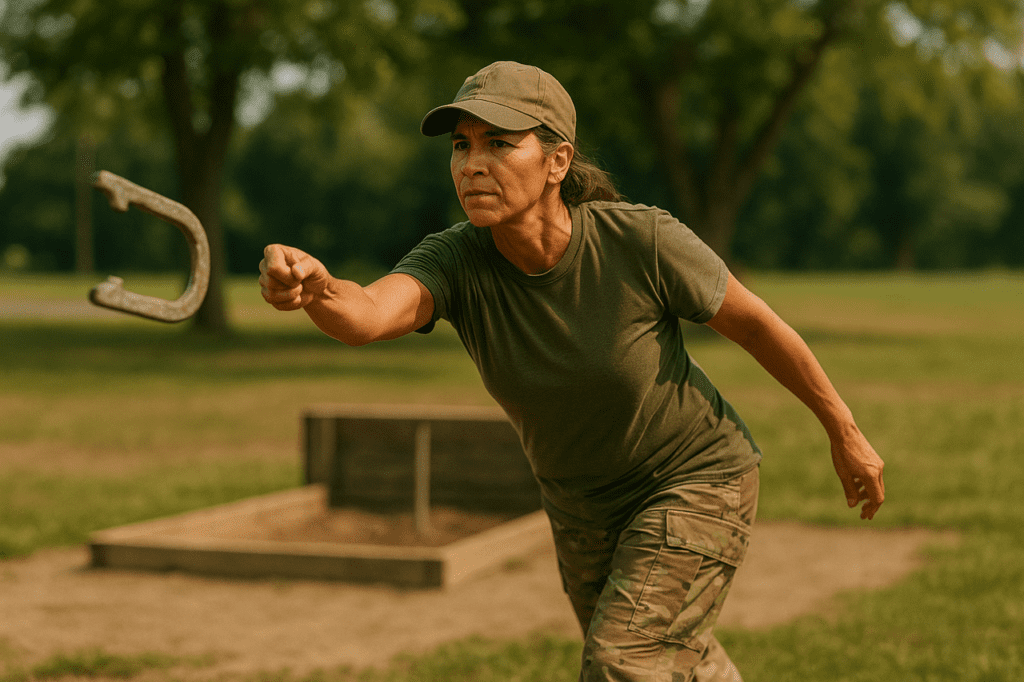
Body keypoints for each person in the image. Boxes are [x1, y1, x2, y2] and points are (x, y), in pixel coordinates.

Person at [259, 61, 885, 682]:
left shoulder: (640, 241)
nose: (471, 164)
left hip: (695, 479)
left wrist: (844, 429)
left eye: (499, 143)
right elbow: (367, 314)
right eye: (461, 145)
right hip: (581, 507)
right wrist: (316, 290)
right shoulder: (455, 260)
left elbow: (756, 326)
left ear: (558, 161)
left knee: (623, 661)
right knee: (672, 660)